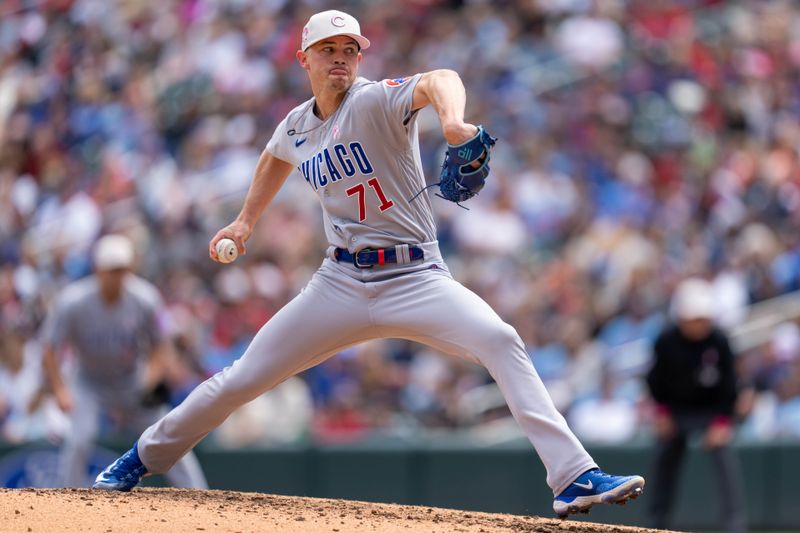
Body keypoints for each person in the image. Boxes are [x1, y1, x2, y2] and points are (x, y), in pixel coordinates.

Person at [93, 10, 644, 518]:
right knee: (242, 378)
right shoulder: (296, 125)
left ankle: (573, 476)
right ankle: (139, 459)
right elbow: (273, 157)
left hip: (415, 276)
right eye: (327, 49)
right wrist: (244, 221)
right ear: (302, 59)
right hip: (340, 281)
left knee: (500, 339)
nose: (340, 58)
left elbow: (439, 77)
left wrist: (453, 124)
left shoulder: (376, 99)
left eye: (349, 49)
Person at [40, 234, 208, 489]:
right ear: (98, 269)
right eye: (112, 270)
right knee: (79, 440)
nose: (117, 276)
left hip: (131, 380)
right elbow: (50, 348)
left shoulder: (144, 297)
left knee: (169, 437)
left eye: (122, 270)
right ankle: (68, 497)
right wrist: (60, 390)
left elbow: (161, 345)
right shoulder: (73, 301)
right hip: (89, 381)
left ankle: (198, 493)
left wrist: (150, 378)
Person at [646, 278, 746, 532]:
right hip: (676, 412)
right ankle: (655, 524)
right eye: (694, 318)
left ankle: (735, 525)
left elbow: (729, 385)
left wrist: (723, 422)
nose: (700, 324)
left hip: (711, 412)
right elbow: (655, 380)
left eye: (704, 317)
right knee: (663, 462)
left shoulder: (719, 341)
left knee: (725, 462)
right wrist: (662, 413)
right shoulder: (666, 340)